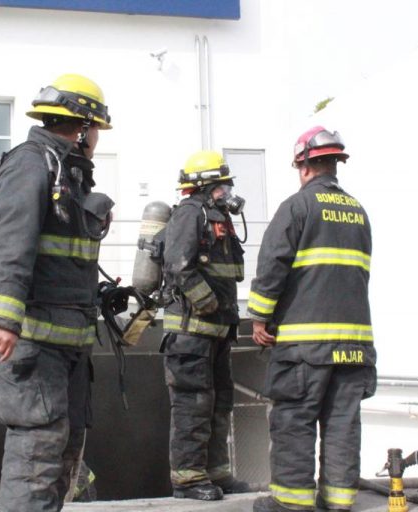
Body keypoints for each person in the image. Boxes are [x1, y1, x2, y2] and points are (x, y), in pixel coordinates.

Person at [0, 73, 113, 512]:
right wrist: (4, 320)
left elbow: (60, 258)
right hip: (29, 340)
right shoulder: (31, 165)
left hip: (62, 339)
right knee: (36, 449)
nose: (97, 140)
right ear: (85, 126)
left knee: (60, 448)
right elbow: (10, 244)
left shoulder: (65, 172)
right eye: (97, 131)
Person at [247, 126, 376, 512]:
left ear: (304, 165)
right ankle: (338, 502)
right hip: (355, 347)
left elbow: (273, 265)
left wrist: (260, 317)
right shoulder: (358, 212)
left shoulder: (297, 207)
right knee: (342, 424)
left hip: (305, 347)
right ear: (335, 164)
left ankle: (292, 503)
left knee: (294, 419)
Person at [160, 150, 250, 501]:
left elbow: (230, 272)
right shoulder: (189, 213)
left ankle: (215, 472)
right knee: (193, 405)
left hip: (216, 333)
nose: (227, 190)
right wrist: (210, 304)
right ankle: (187, 478)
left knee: (219, 402)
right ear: (206, 185)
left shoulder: (219, 219)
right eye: (222, 184)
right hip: (190, 333)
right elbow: (178, 266)